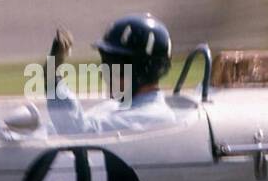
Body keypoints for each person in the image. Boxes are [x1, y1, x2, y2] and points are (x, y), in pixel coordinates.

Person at [45, 13, 179, 135]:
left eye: (113, 65)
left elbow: (78, 131)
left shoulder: (154, 116)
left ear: (141, 71)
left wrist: (52, 76)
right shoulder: (113, 107)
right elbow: (53, 129)